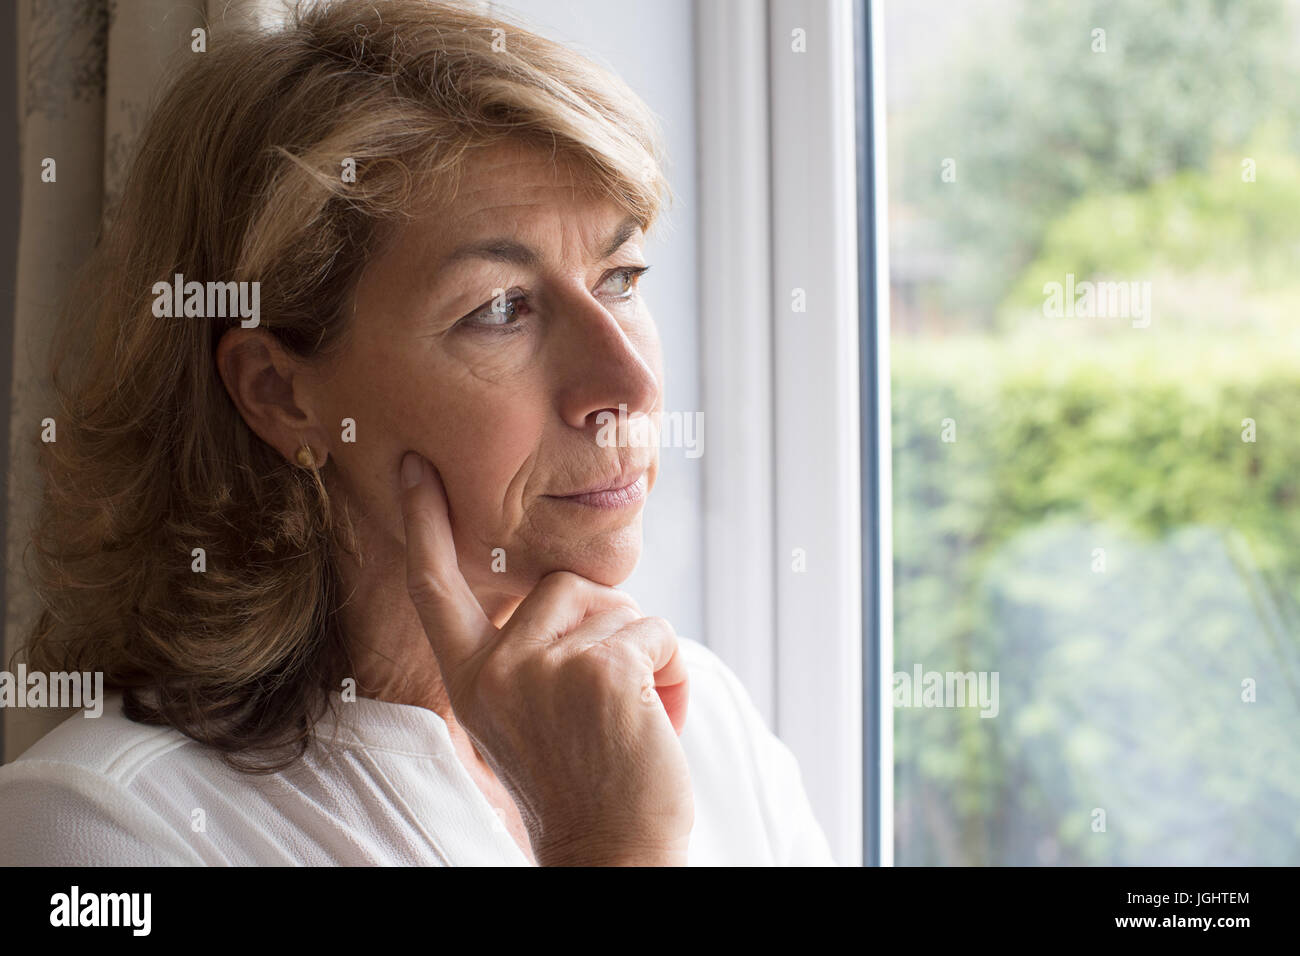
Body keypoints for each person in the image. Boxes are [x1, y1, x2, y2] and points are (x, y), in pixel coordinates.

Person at [0, 0, 835, 866]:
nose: (630, 384)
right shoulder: (98, 826)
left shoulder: (690, 715)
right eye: (502, 309)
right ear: (280, 394)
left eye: (621, 277)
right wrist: (610, 844)